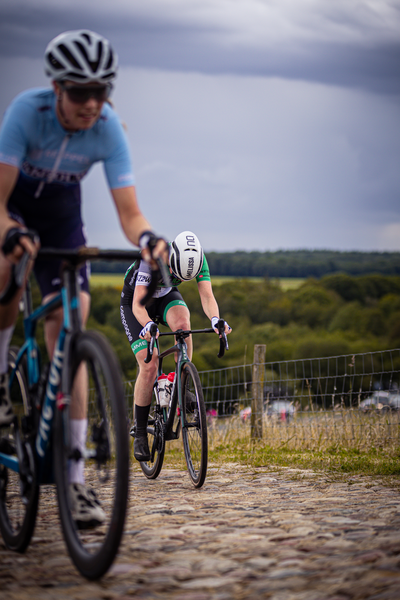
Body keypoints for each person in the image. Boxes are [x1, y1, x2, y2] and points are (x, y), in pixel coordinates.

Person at [0, 30, 168, 527]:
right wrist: (9, 231)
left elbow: (130, 213)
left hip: (60, 217)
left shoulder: (108, 127)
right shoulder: (26, 114)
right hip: (13, 207)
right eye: (80, 92)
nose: (92, 104)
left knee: (71, 327)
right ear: (56, 88)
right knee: (4, 272)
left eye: (102, 92)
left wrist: (149, 239)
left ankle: (72, 484)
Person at [120, 230, 232, 462]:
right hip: (137, 301)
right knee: (149, 364)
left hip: (166, 295)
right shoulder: (151, 258)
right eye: (172, 270)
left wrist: (215, 320)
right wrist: (149, 325)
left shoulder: (198, 260)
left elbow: (207, 296)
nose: (173, 274)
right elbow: (138, 307)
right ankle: (141, 432)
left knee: (183, 323)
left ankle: (181, 382)